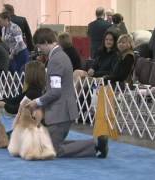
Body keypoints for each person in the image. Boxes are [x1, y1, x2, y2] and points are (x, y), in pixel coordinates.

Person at [26, 28, 108, 158]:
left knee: (52, 149)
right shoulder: (60, 55)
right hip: (63, 111)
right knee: (52, 144)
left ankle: (96, 145)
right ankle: (95, 144)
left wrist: (36, 102)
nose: (39, 50)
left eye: (39, 46)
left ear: (46, 42)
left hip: (60, 112)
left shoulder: (56, 60)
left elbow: (55, 92)